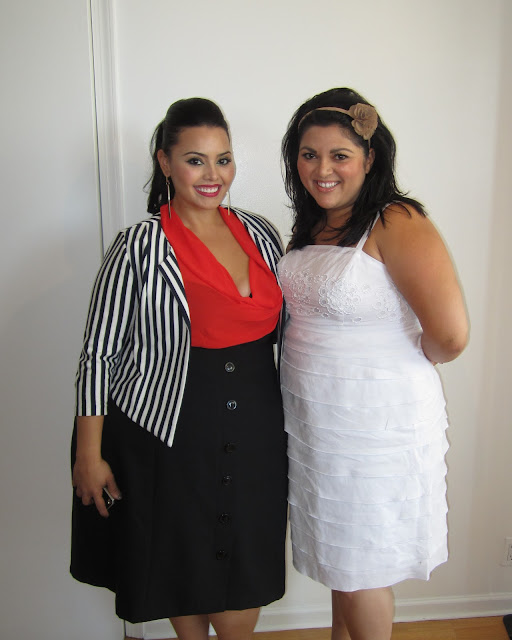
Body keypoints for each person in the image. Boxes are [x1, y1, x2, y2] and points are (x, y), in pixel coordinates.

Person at [71, 97, 287, 640]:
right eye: (196, 160)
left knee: (245, 574)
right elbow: (99, 353)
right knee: (180, 563)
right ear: (165, 163)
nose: (213, 175)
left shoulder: (262, 234)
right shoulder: (138, 247)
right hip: (167, 436)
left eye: (223, 159)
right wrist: (88, 455)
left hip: (257, 433)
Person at [279, 88, 469, 640]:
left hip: (374, 425)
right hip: (318, 424)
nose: (322, 169)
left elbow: (451, 335)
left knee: (363, 568)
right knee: (344, 561)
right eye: (309, 154)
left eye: (339, 155)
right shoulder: (315, 224)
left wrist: (400, 360)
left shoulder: (396, 220)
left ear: (369, 158)